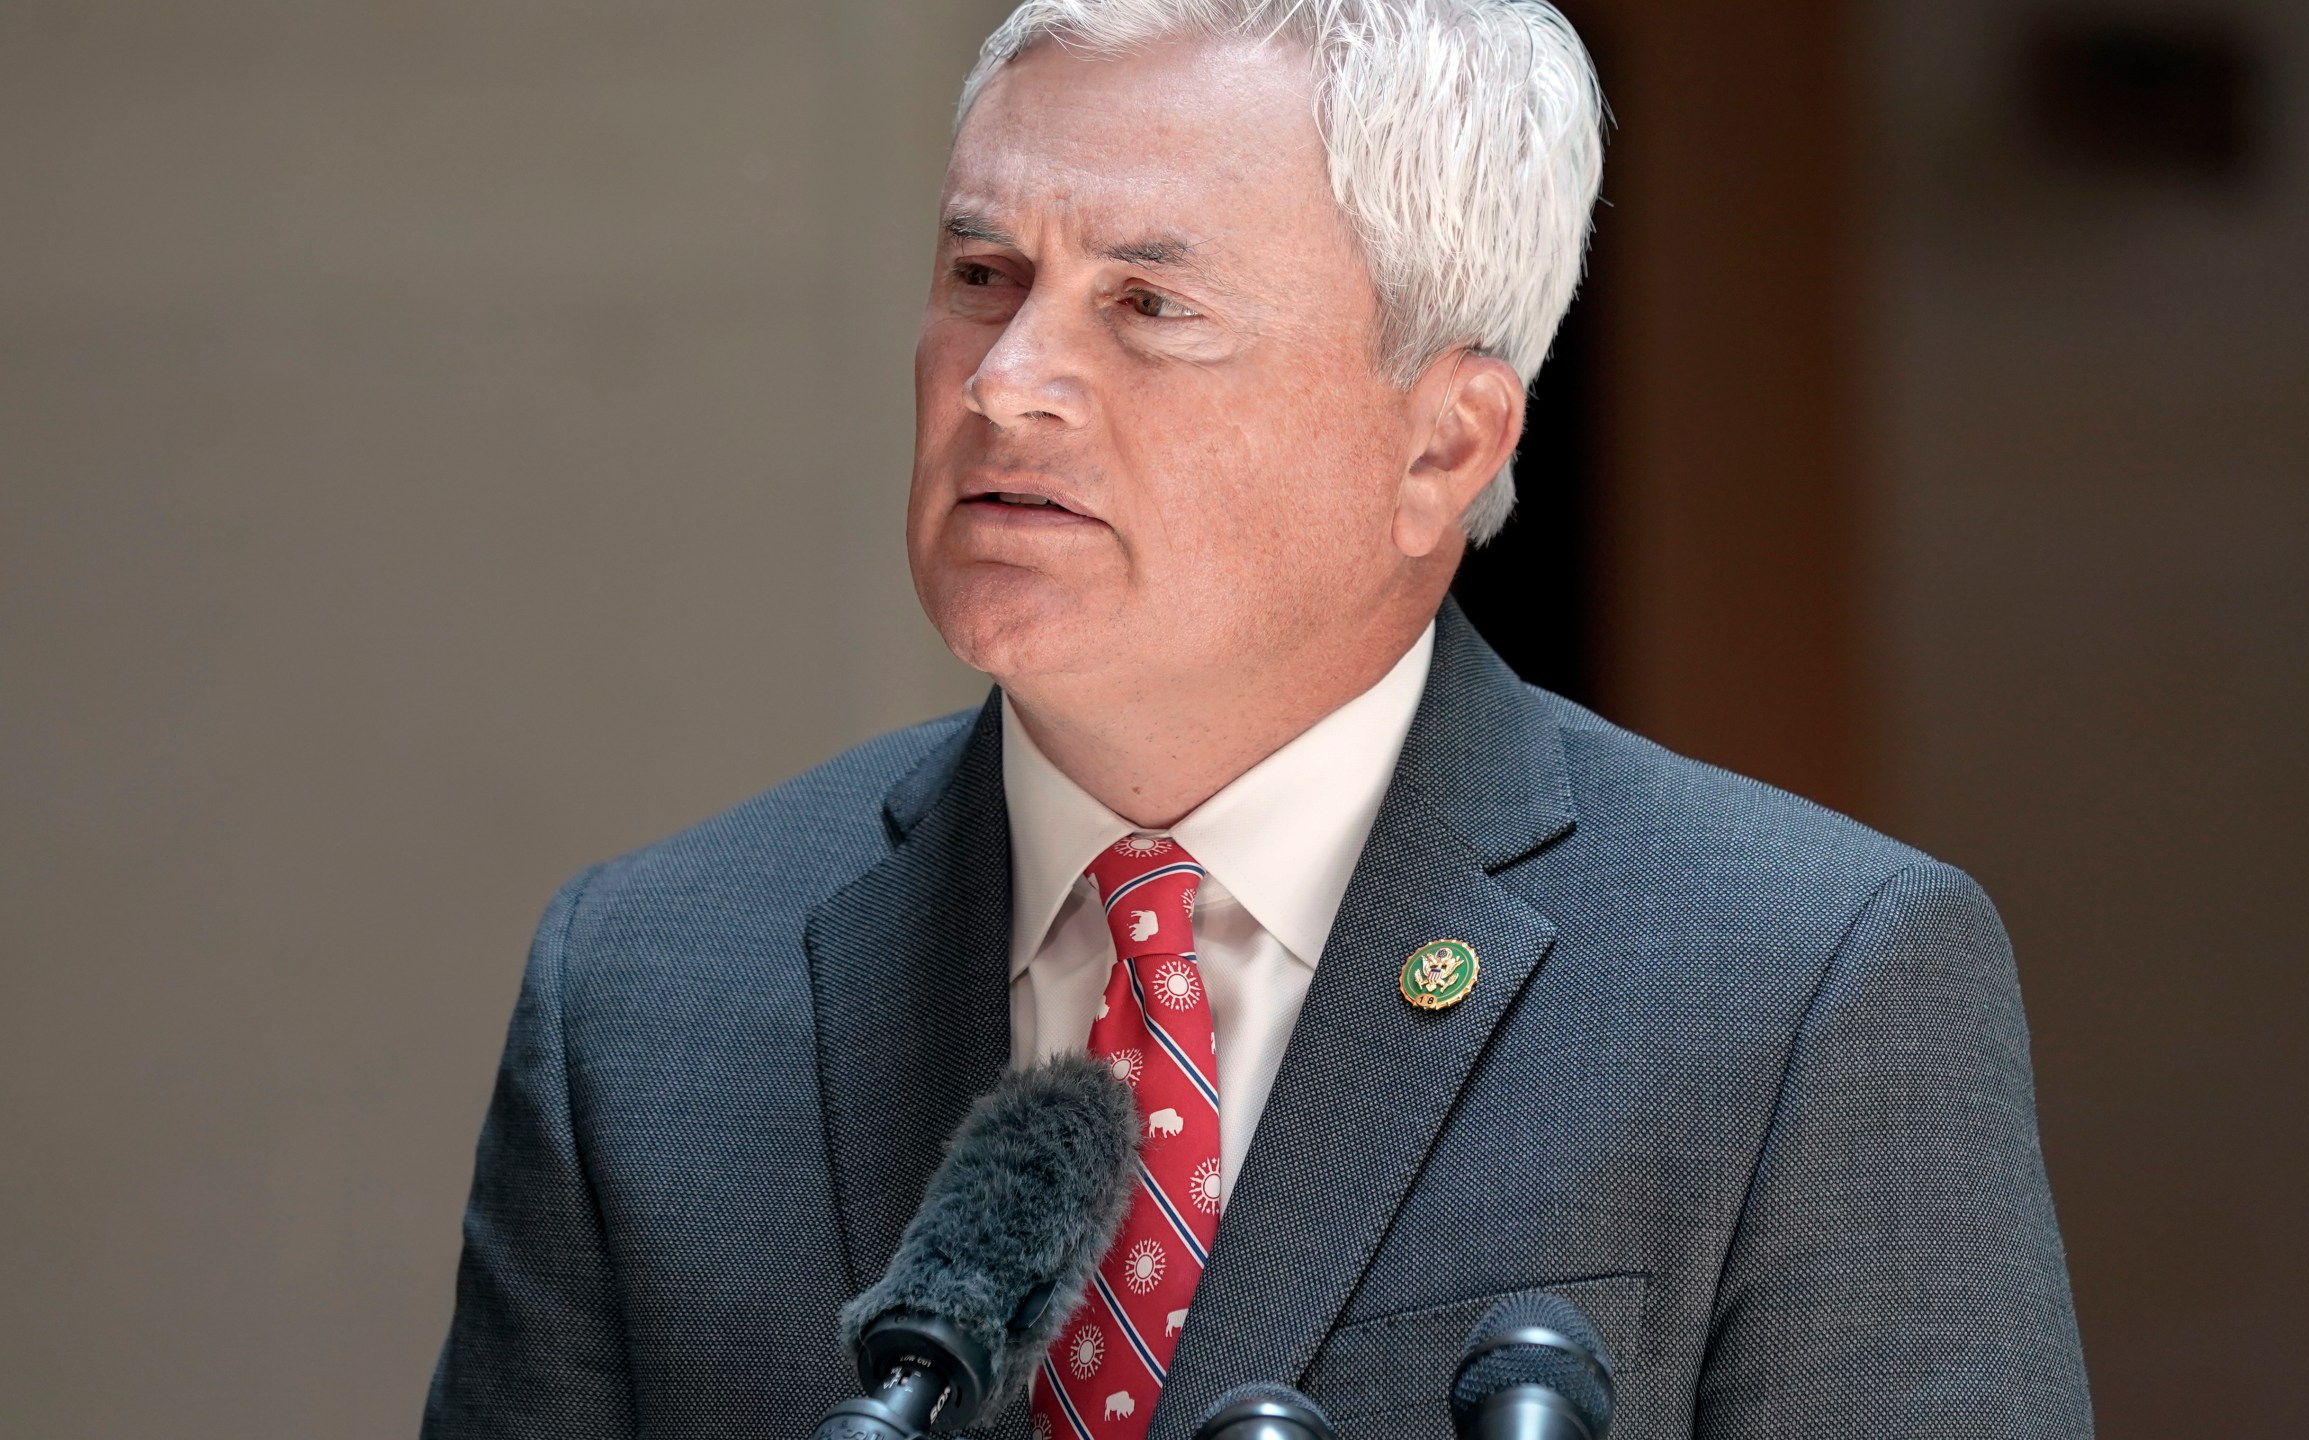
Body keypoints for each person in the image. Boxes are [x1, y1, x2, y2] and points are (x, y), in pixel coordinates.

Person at [423, 2, 2093, 1437]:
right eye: (983, 272)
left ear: (1441, 442)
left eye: (1147, 305)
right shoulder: (646, 994)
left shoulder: (1805, 988)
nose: (1005, 379)